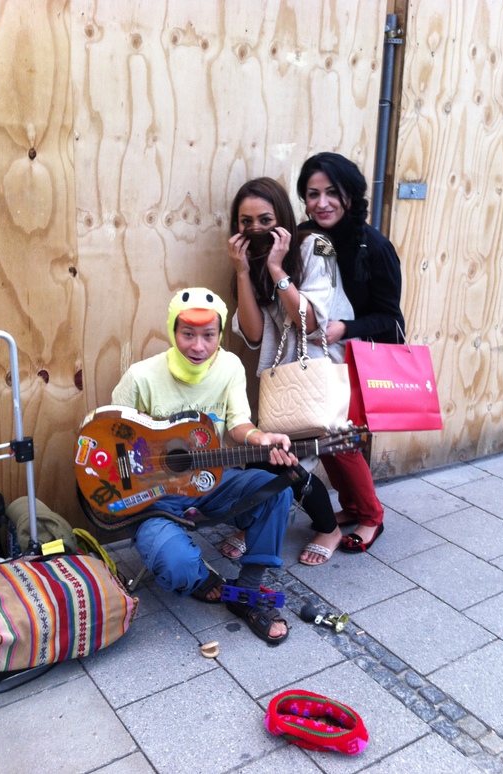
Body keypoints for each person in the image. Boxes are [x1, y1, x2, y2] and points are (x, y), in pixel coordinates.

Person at [111, 287, 297, 644]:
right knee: (176, 565)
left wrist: (259, 438)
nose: (198, 346)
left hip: (212, 480)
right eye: (188, 334)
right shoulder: (141, 377)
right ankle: (203, 580)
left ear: (219, 334)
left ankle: (248, 591)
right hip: (154, 498)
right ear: (172, 331)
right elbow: (108, 432)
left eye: (209, 335)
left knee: (275, 491)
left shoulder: (229, 367)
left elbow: (238, 422)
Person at [223, 177, 357, 566]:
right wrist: (244, 272)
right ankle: (263, 522)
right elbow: (251, 333)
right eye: (245, 221)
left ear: (283, 216)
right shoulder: (249, 259)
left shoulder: (316, 247)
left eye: (265, 219)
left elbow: (310, 323)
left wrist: (278, 268)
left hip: (314, 369)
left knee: (292, 460)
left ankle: (328, 528)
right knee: (269, 456)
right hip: (278, 377)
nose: (255, 229)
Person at [296, 151, 406, 551]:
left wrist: (346, 327)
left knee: (338, 441)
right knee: (325, 441)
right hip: (326, 356)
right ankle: (354, 505)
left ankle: (372, 517)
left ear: (350, 195)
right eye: (312, 193)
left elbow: (391, 319)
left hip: (359, 358)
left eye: (332, 192)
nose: (321, 203)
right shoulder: (312, 238)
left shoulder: (374, 246)